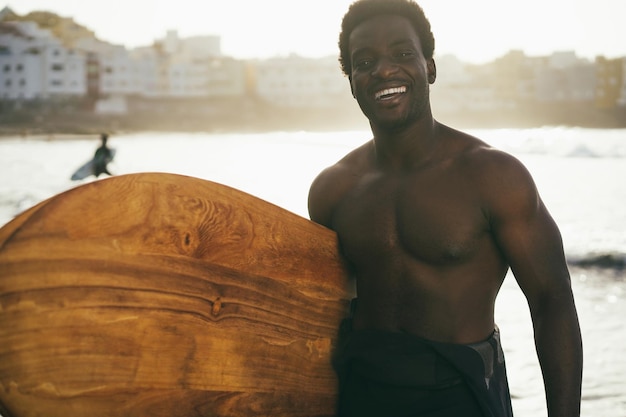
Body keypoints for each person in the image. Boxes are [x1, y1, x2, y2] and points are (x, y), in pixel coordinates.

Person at [307, 1, 583, 416]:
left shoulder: (493, 176)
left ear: (430, 68)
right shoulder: (332, 190)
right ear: (352, 81)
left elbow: (551, 300)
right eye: (365, 61)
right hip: (362, 395)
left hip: (463, 395)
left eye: (402, 54)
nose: (384, 70)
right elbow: (319, 312)